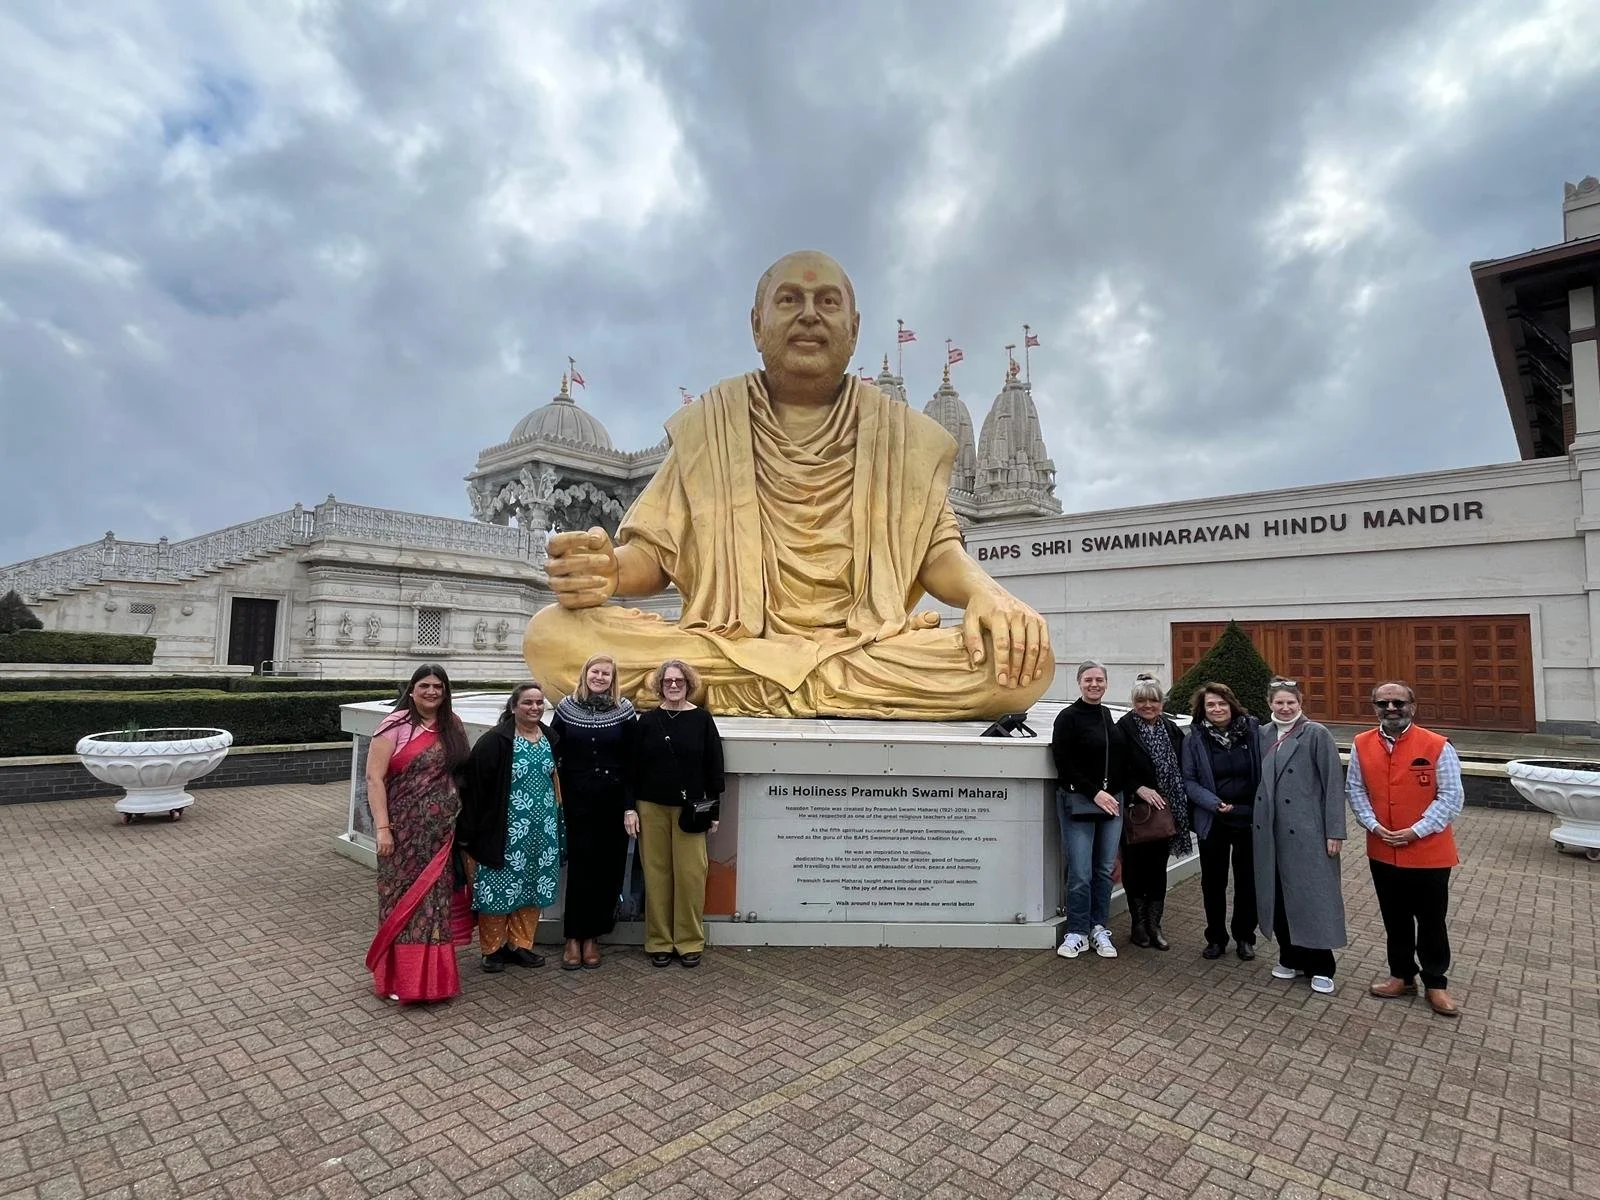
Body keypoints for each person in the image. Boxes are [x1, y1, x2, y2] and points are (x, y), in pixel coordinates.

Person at [526, 250, 1055, 720]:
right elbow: (656, 555)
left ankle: (745, 688)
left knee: (1028, 661)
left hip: (862, 645)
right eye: (789, 300)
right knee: (551, 636)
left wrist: (989, 595)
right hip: (730, 642)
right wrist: (610, 570)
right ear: (757, 325)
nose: (808, 314)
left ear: (853, 328)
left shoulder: (900, 436)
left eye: (827, 301)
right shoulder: (711, 425)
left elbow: (935, 552)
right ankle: (809, 688)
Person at [1347, 681, 1464, 1018]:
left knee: (1431, 920)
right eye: (1382, 704)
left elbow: (1452, 797)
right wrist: (1373, 824)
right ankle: (1401, 975)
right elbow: (1355, 789)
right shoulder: (1361, 743)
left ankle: (1436, 982)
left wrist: (1415, 831)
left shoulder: (1437, 745)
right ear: (1375, 708)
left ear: (1413, 705)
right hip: (1383, 848)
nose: (1391, 709)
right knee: (1395, 918)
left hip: (1428, 851)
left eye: (1398, 702)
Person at [364, 664, 471, 1004]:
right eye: (424, 685)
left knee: (434, 906)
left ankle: (433, 983)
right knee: (401, 903)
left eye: (438, 686)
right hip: (401, 833)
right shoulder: (393, 726)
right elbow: (374, 779)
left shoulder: (452, 726)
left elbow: (463, 774)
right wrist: (382, 828)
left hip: (440, 836)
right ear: (411, 690)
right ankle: (399, 980)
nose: (431, 692)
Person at [456, 682, 564, 974]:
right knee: (497, 887)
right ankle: (493, 949)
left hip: (541, 831)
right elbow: (475, 787)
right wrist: (470, 831)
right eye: (528, 702)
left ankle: (521, 945)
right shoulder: (496, 741)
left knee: (532, 886)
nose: (535, 708)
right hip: (503, 830)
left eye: (540, 703)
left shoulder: (550, 738)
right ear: (514, 706)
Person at [624, 660, 726, 968]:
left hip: (691, 810)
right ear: (659, 685)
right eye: (667, 681)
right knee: (656, 875)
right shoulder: (646, 722)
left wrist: (715, 810)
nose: (673, 685)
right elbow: (631, 769)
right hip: (650, 806)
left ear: (688, 684)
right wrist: (629, 808)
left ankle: (689, 940)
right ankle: (658, 940)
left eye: (679, 680)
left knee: (691, 875)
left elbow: (714, 768)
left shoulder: (703, 720)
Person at [1254, 679, 1347, 995]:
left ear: (1300, 703)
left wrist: (1334, 831)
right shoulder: (1264, 734)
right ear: (1270, 704)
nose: (1285, 708)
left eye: (1290, 702)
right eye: (1279, 702)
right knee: (1278, 894)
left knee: (1311, 897)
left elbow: (1334, 783)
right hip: (1271, 831)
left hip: (1308, 832)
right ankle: (1289, 956)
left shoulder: (1316, 734)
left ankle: (1321, 965)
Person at [549, 653, 637, 971]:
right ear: (585, 674)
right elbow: (552, 748)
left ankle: (594, 936)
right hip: (577, 802)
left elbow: (632, 763)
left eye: (606, 674)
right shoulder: (566, 708)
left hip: (612, 802)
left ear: (613, 680)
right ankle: (573, 936)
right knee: (581, 868)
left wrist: (630, 806)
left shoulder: (624, 711)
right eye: (595, 672)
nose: (600, 678)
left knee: (608, 870)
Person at [1181, 682, 1261, 960]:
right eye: (1210, 705)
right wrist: (1214, 804)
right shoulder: (1194, 738)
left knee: (1247, 881)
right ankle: (1215, 937)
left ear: (1231, 704)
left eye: (1221, 703)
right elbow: (1188, 780)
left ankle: (1244, 936)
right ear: (1202, 710)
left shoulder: (1252, 731)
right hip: (1213, 818)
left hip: (1248, 817)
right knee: (1213, 883)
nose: (1217, 709)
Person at [1052, 661, 1126, 960]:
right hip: (1082, 800)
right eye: (1088, 680)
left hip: (1112, 802)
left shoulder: (1108, 714)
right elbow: (1064, 763)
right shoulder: (1068, 717)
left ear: (1106, 683)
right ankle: (1077, 931)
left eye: (1099, 680)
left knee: (1105, 870)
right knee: (1081, 871)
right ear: (1079, 683)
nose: (1094, 684)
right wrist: (1095, 792)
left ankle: (1098, 928)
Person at [1115, 674, 1192, 951]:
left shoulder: (1171, 729)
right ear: (1134, 702)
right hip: (1137, 813)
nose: (1148, 705)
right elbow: (1115, 769)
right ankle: (1138, 925)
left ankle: (1154, 924)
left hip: (1166, 813)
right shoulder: (1123, 728)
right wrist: (1138, 788)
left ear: (1161, 702)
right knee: (1134, 868)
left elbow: (1184, 766)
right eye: (1141, 700)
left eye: (1153, 700)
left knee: (1158, 869)